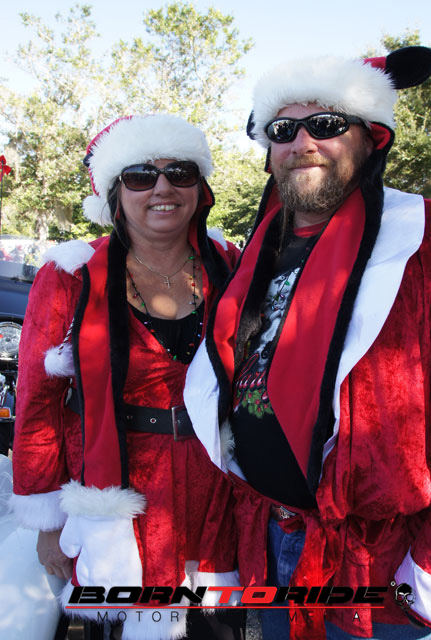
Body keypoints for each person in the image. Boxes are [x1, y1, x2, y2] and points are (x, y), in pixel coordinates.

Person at [183, 47, 431, 640]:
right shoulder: (260, 244)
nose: (303, 143)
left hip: (379, 559)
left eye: (325, 124)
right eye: (283, 130)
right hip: (270, 533)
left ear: (371, 136)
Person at [10, 114, 244, 640]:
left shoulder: (228, 265)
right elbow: (37, 403)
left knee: (215, 627)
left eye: (179, 172)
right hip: (116, 492)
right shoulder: (72, 274)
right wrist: (48, 522)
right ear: (116, 193)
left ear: (200, 187)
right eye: (140, 176)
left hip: (213, 487)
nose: (162, 188)